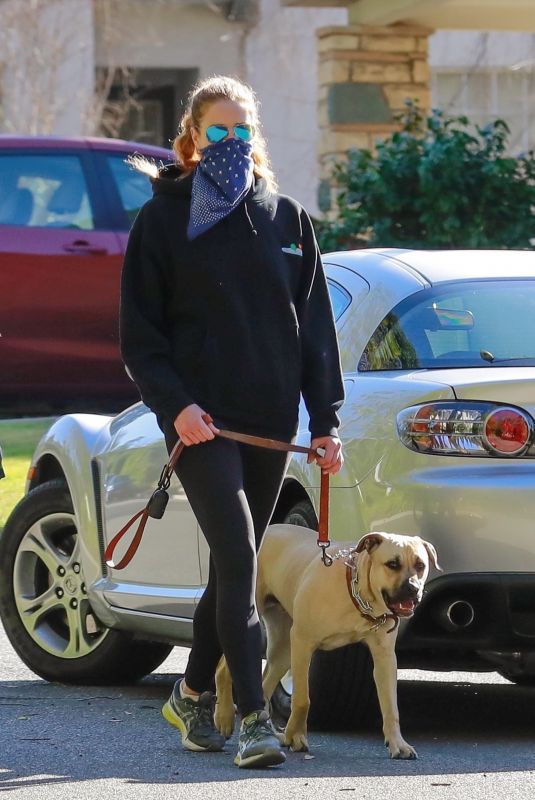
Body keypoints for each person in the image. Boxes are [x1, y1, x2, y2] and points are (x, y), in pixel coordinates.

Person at [119, 75, 345, 769]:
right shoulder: (162, 220)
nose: (232, 145)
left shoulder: (285, 219)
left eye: (242, 133)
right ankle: (250, 717)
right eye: (218, 133)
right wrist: (176, 408)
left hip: (270, 421)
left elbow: (313, 330)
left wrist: (326, 419)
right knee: (243, 558)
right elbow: (140, 336)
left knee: (228, 567)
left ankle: (189, 693)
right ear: (190, 140)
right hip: (199, 422)